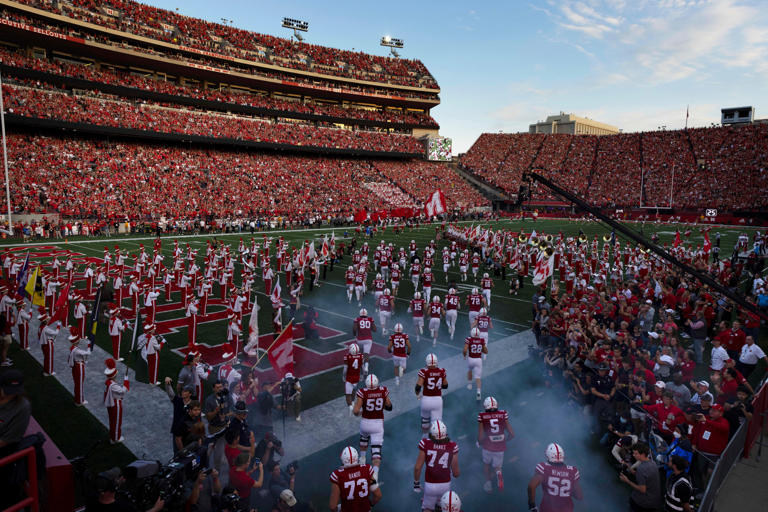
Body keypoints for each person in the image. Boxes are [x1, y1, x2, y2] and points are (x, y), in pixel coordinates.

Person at [352, 374, 392, 482]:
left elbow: (355, 411)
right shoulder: (383, 390)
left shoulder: (362, 392)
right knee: (376, 451)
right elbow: (389, 406)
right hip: (378, 424)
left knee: (364, 440)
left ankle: (363, 460)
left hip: (365, 422)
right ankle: (375, 475)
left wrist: (361, 412)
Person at [414, 420, 460, 512]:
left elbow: (417, 468)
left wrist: (416, 483)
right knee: (443, 508)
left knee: (427, 508)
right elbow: (456, 473)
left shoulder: (425, 443)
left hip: (430, 485)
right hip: (445, 485)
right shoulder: (452, 446)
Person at [527, 442, 582, 512]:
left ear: (548, 456)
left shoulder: (544, 468)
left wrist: (532, 505)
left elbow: (531, 486)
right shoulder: (572, 471)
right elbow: (579, 496)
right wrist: (565, 490)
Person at [477, 396, 514, 494]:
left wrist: (479, 443)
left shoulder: (482, 415)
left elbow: (480, 437)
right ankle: (498, 473)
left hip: (488, 446)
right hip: (500, 446)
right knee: (498, 466)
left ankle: (488, 485)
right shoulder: (503, 414)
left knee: (486, 464)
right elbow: (512, 434)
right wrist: (505, 440)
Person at [329, 446, 381, 512]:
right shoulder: (367, 469)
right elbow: (378, 495)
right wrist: (370, 505)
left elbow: (333, 507)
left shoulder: (337, 475)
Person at [619, 442, 662, 512]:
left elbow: (642, 489)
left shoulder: (641, 468)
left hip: (643, 503)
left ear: (642, 454)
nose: (633, 455)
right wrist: (635, 473)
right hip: (655, 502)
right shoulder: (653, 463)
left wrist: (627, 481)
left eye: (635, 453)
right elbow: (647, 477)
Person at [416, 353, 448, 434]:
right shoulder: (441, 371)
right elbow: (446, 385)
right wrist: (438, 387)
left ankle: (424, 439)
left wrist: (417, 394)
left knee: (425, 422)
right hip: (437, 400)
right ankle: (434, 442)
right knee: (436, 425)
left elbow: (418, 387)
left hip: (426, 399)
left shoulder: (424, 371)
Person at [103, 359, 129, 444]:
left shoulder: (109, 382)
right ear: (114, 376)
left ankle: (113, 436)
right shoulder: (113, 385)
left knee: (112, 420)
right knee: (117, 421)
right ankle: (116, 438)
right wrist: (126, 380)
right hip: (116, 404)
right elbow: (123, 391)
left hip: (111, 404)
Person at [164, 377, 193, 453]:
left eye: (185, 391)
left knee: (189, 453)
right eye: (183, 390)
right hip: (177, 433)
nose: (183, 392)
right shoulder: (178, 401)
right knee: (177, 454)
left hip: (189, 433)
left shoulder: (194, 405)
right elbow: (171, 394)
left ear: (190, 394)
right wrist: (168, 385)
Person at [463, 327, 488, 400]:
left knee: (469, 370)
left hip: (471, 359)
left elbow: (465, 350)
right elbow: (486, 351)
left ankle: (470, 384)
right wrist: (483, 349)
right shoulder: (481, 340)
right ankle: (478, 392)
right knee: (478, 377)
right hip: (478, 360)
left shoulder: (469, 339)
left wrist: (464, 356)